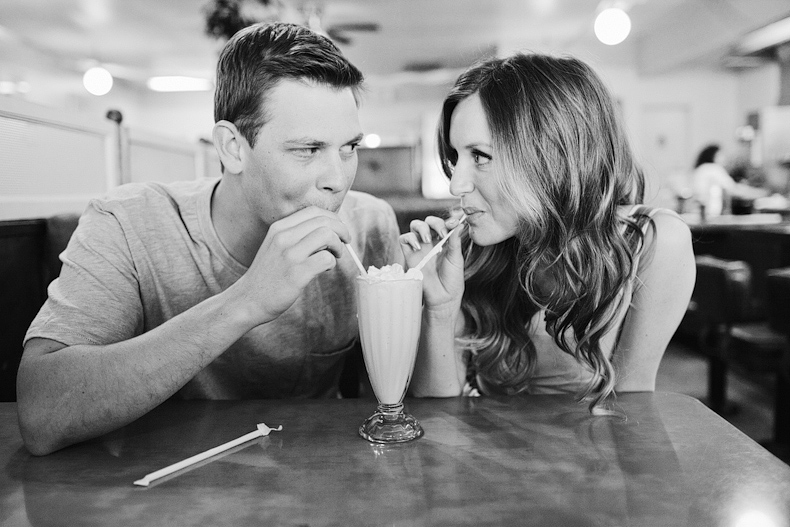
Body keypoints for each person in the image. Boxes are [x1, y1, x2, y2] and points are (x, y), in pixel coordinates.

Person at [17, 22, 402, 455]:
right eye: (308, 149)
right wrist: (246, 301)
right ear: (233, 147)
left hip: (321, 475)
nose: (338, 179)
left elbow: (393, 409)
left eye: (349, 147)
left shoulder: (369, 225)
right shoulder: (129, 223)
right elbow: (40, 413)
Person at [400, 53, 696, 410]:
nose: (456, 185)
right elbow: (438, 411)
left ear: (551, 153)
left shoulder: (651, 242)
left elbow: (632, 408)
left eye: (480, 155)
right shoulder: (467, 249)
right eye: (456, 156)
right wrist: (439, 308)